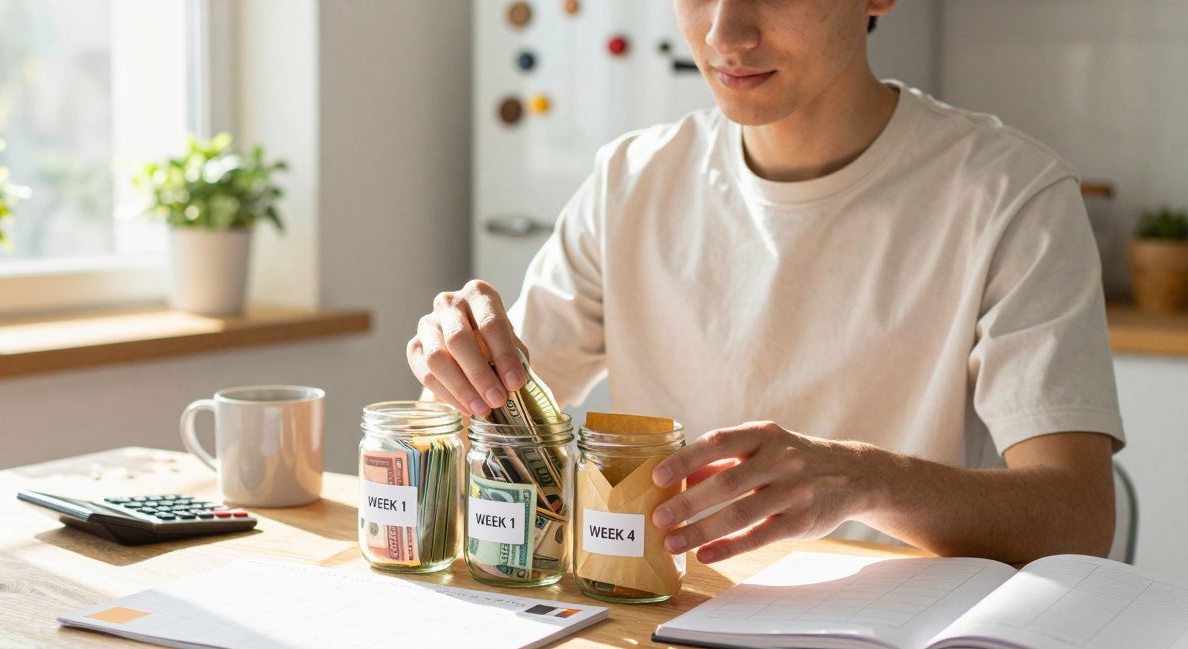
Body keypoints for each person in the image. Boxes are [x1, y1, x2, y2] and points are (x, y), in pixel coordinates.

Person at [407, 0, 1124, 565]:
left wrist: (862, 479)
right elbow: (474, 444)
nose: (726, 32)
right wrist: (458, 369)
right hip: (664, 624)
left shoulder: (1011, 195)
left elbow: (1078, 518)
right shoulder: (628, 183)